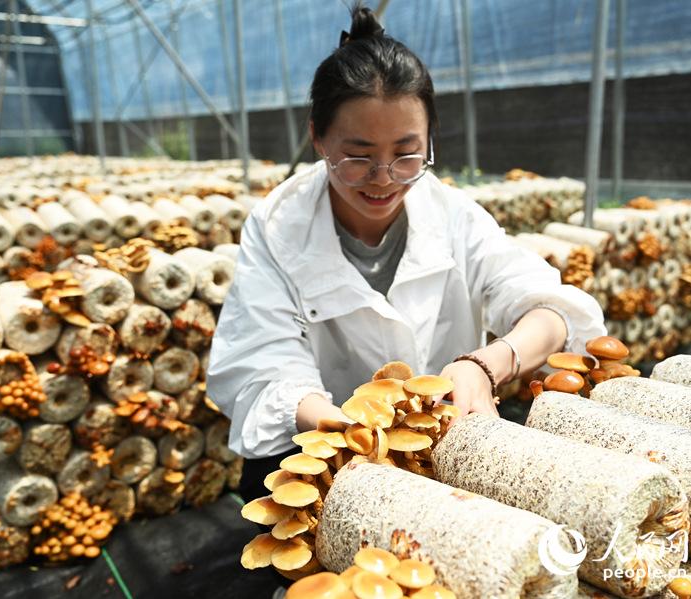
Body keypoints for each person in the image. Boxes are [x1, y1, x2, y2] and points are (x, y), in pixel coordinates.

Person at [208, 2, 605, 502]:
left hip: (441, 435)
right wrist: (348, 428)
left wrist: (485, 365)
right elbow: (263, 359)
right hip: (327, 442)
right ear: (317, 138)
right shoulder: (279, 226)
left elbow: (551, 311)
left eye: (406, 155)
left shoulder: (453, 216)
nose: (383, 179)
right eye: (358, 157)